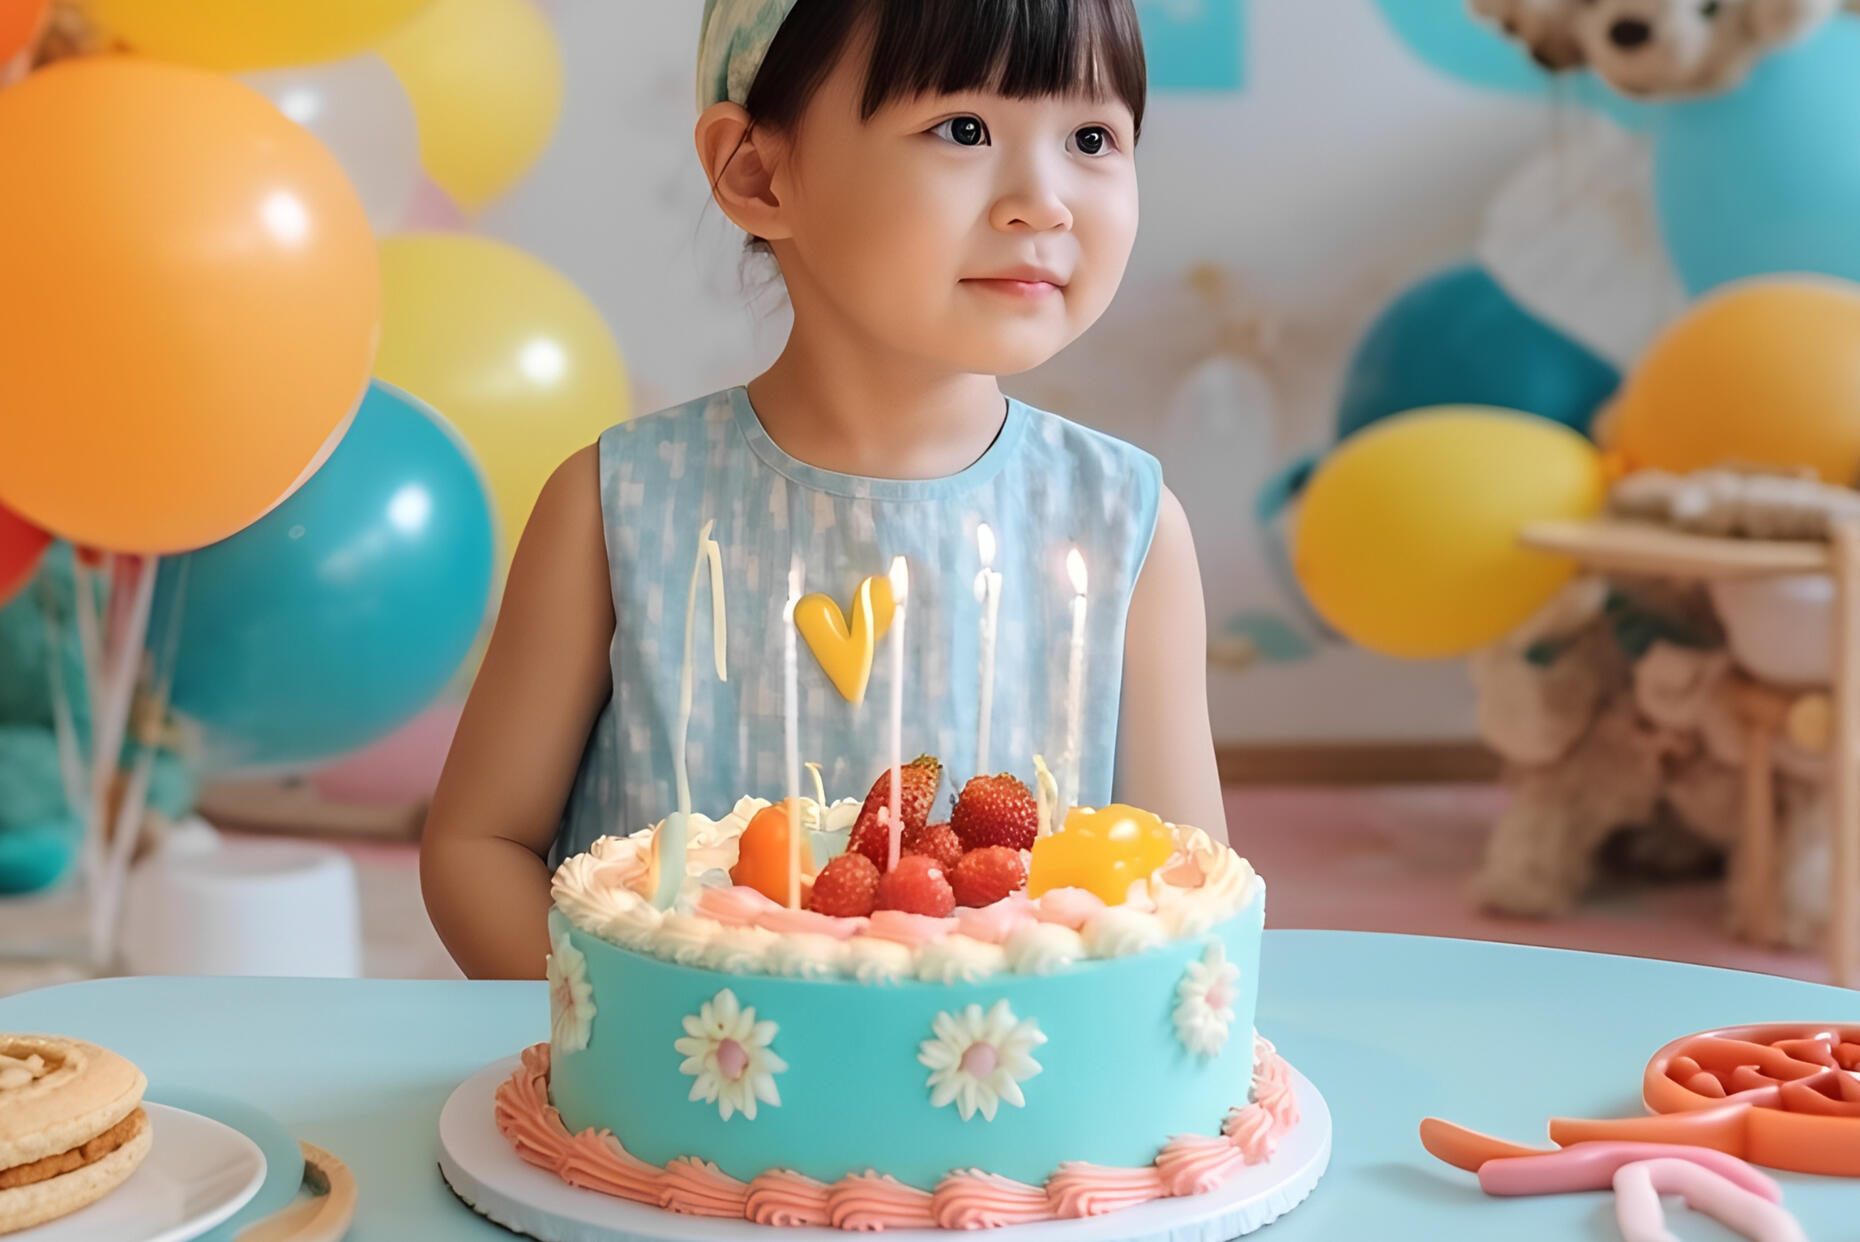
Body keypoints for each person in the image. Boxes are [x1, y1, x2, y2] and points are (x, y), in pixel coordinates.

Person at [422, 0, 1226, 980]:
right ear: (758, 172)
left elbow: (1190, 893)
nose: (1044, 200)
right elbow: (478, 848)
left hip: (1008, 1101)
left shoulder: (1126, 526)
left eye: (1092, 137)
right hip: (681, 1102)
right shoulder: (618, 504)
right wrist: (624, 1041)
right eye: (963, 129)